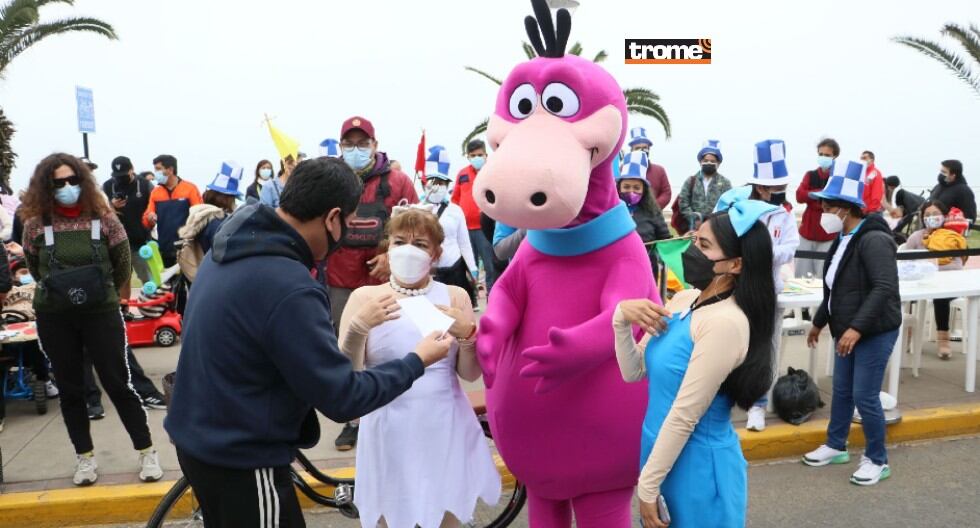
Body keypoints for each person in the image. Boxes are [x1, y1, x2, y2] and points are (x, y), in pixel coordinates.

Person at [164, 157, 452, 528]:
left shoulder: (231, 249)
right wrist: (417, 360)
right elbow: (343, 398)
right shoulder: (289, 284)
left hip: (198, 438)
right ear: (332, 218)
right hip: (243, 457)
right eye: (347, 224)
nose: (345, 234)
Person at [614, 200, 777, 527]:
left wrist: (647, 486)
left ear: (735, 264)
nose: (690, 250)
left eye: (703, 245)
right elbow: (635, 372)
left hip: (698, 466)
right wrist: (620, 319)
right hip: (659, 451)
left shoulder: (725, 323)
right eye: (693, 239)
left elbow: (685, 414)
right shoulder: (686, 298)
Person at [338, 207, 500, 527]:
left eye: (421, 244)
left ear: (436, 253)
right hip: (386, 424)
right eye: (399, 241)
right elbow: (346, 378)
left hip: (444, 423)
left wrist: (468, 335)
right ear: (387, 248)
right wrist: (358, 327)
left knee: (445, 513)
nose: (409, 250)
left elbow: (469, 373)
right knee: (390, 514)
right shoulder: (365, 297)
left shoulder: (453, 295)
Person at [20, 153, 162, 486]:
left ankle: (146, 451)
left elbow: (123, 262)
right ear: (46, 186)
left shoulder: (105, 218)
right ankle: (84, 458)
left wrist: (105, 293)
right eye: (58, 183)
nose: (67, 187)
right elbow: (34, 266)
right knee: (71, 389)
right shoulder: (35, 225)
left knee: (118, 383)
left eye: (73, 180)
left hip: (101, 313)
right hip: (55, 317)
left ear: (83, 181)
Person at [803, 159, 901, 486]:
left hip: (873, 330)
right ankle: (836, 445)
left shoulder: (873, 239)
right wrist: (819, 322)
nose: (823, 212)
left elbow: (884, 288)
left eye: (828, 206)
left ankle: (877, 458)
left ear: (847, 209)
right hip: (847, 329)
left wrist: (857, 329)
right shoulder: (843, 238)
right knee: (842, 391)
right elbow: (834, 287)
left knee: (864, 396)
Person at [329, 116, 419, 451]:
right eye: (348, 144)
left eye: (361, 143)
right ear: (340, 147)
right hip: (338, 280)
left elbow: (415, 227)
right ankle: (353, 421)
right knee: (347, 350)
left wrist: (390, 258)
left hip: (385, 280)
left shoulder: (398, 182)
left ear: (375, 145)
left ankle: (398, 407)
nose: (355, 149)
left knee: (392, 344)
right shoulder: (331, 178)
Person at [716, 140, 801, 432]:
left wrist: (764, 254)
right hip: (738, 291)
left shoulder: (784, 216)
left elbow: (790, 247)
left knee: (766, 349)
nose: (780, 193)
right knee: (733, 346)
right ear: (761, 188)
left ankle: (758, 406)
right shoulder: (738, 212)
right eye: (775, 188)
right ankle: (726, 400)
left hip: (770, 292)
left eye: (783, 187)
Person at [905, 200, 967, 359]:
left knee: (942, 297)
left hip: (950, 283)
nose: (931, 217)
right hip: (923, 283)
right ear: (922, 218)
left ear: (944, 216)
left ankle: (943, 340)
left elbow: (962, 260)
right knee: (908, 297)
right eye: (927, 215)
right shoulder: (916, 237)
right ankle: (908, 334)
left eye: (935, 214)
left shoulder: (953, 236)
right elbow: (905, 261)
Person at [422, 146, 478, 305]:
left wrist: (473, 268)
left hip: (455, 270)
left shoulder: (455, 210)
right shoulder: (418, 209)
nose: (437, 186)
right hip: (429, 274)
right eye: (433, 182)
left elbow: (464, 242)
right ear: (426, 184)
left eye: (442, 182)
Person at [451, 140, 497, 297]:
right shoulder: (462, 174)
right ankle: (471, 298)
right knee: (468, 266)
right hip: (465, 230)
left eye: (479, 155)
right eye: (473, 155)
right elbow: (455, 199)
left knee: (490, 265)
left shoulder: (493, 171)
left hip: (485, 228)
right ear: (468, 157)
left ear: (486, 155)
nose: (477, 158)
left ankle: (493, 296)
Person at [143, 155, 203, 267]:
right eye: (155, 169)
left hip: (188, 248)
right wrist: (150, 218)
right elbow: (147, 220)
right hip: (165, 249)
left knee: (192, 283)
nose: (155, 172)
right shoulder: (155, 192)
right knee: (170, 284)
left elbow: (200, 216)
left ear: (170, 170)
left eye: (158, 169)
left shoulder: (190, 188)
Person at [616, 151, 669, 275]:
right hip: (617, 269)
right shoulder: (611, 211)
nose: (631, 191)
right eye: (627, 186)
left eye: (636, 187)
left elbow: (665, 240)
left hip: (647, 269)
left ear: (644, 190)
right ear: (619, 187)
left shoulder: (653, 212)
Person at [102, 156, 153, 283]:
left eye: (124, 174)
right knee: (120, 281)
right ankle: (123, 303)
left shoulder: (145, 184)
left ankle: (152, 302)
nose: (120, 178)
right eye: (117, 175)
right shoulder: (107, 186)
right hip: (115, 243)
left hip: (140, 242)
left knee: (149, 280)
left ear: (132, 170)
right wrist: (111, 206)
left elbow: (154, 207)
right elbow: (98, 211)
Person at [795, 138, 840, 279]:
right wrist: (820, 195)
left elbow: (836, 200)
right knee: (801, 276)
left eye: (827, 155)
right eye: (821, 154)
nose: (823, 158)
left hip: (828, 235)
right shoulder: (810, 175)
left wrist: (812, 195)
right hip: (807, 234)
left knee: (824, 278)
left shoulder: (838, 178)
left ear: (835, 156)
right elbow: (799, 195)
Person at [179, 161, 242, 257]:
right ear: (226, 199)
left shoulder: (201, 214)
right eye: (233, 199)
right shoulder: (218, 223)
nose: (234, 204)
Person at [677, 140, 732, 233]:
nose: (709, 163)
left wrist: (715, 220)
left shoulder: (725, 183)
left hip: (717, 228)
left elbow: (729, 205)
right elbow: (683, 202)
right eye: (706, 160)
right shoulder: (691, 181)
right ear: (700, 162)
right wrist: (694, 217)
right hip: (694, 228)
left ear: (718, 163)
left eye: (712, 161)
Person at [626, 127, 671, 208]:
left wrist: (652, 207)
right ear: (631, 150)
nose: (642, 150)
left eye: (645, 148)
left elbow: (666, 193)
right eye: (637, 148)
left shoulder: (659, 170)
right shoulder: (623, 169)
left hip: (652, 216)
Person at [929, 160, 976, 224]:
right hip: (930, 228)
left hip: (949, 231)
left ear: (953, 175)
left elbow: (969, 217)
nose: (941, 174)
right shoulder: (937, 187)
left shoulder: (964, 191)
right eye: (941, 171)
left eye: (944, 172)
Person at [859, 150, 885, 215]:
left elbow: (877, 193)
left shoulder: (875, 173)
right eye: (861, 158)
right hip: (860, 210)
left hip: (870, 212)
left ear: (872, 160)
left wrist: (871, 210)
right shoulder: (861, 173)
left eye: (864, 158)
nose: (862, 160)